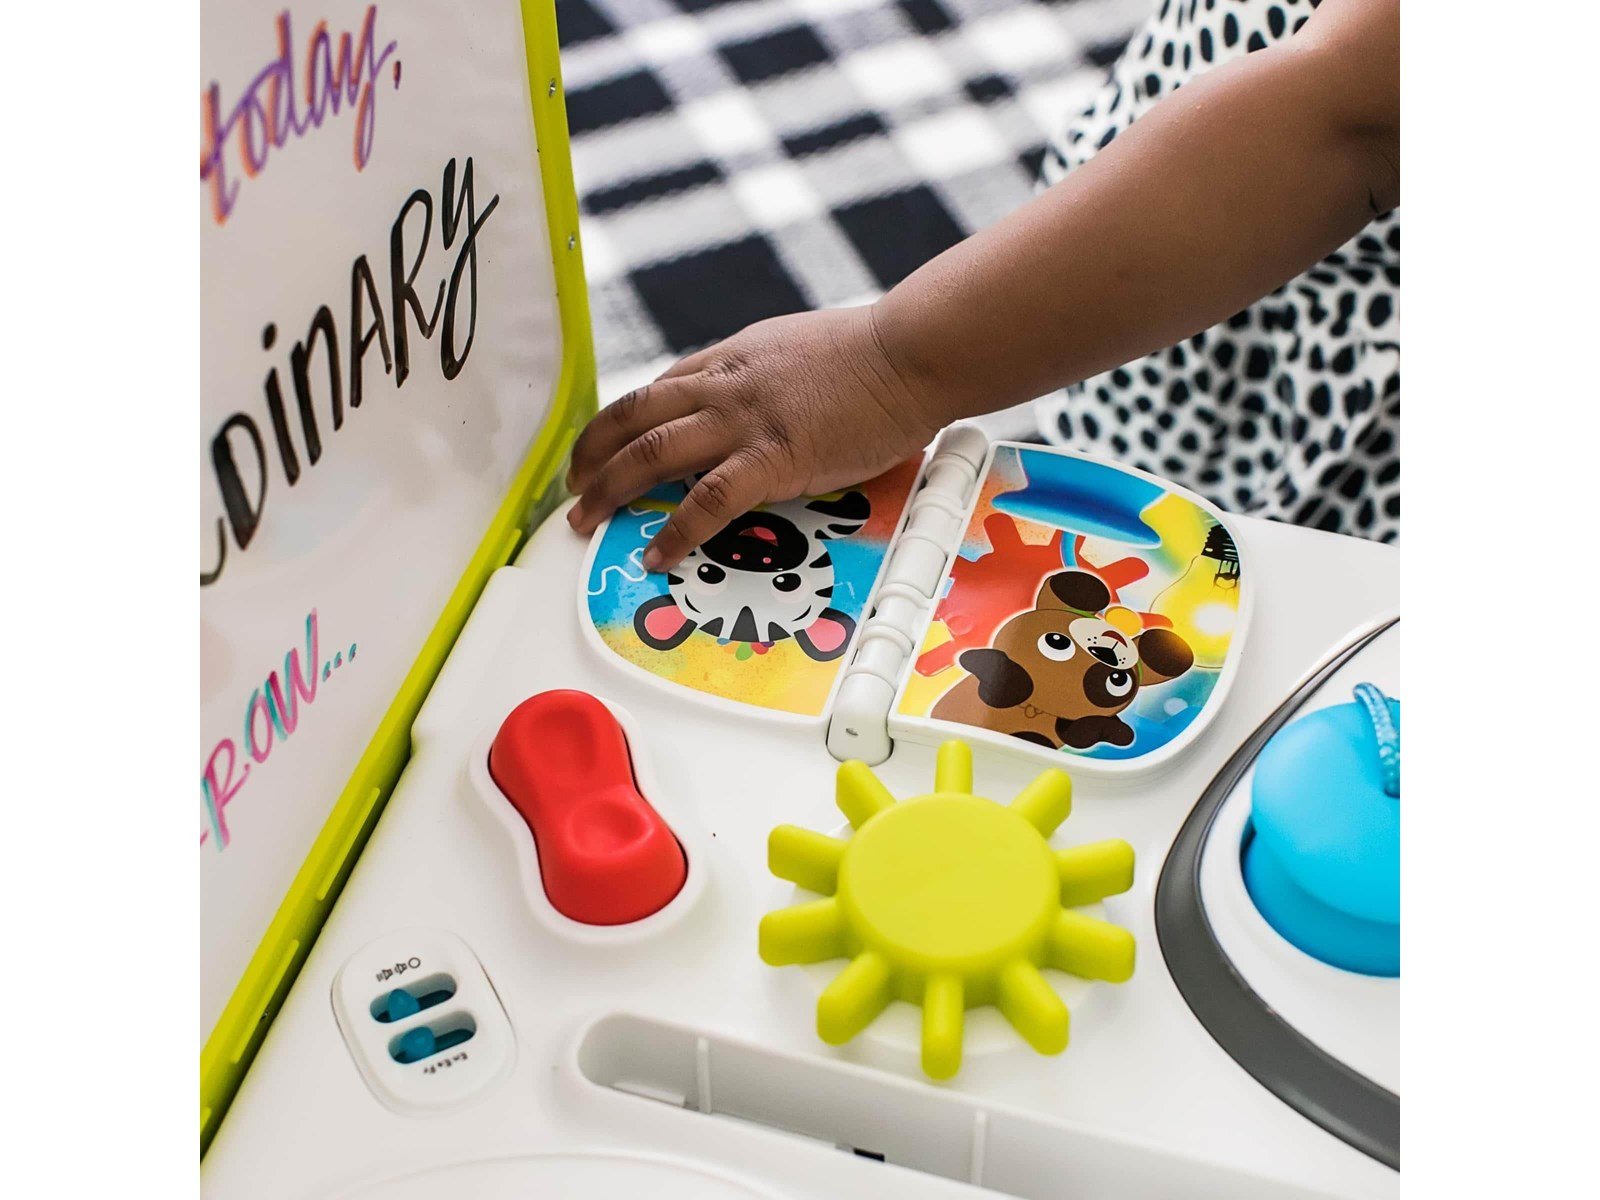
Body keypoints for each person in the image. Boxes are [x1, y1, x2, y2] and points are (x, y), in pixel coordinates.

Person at [566, 0, 1399, 569]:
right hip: (1194, 265)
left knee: (1289, 629)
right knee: (1132, 524)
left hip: (1355, 390)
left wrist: (888, 366)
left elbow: (1353, 119)